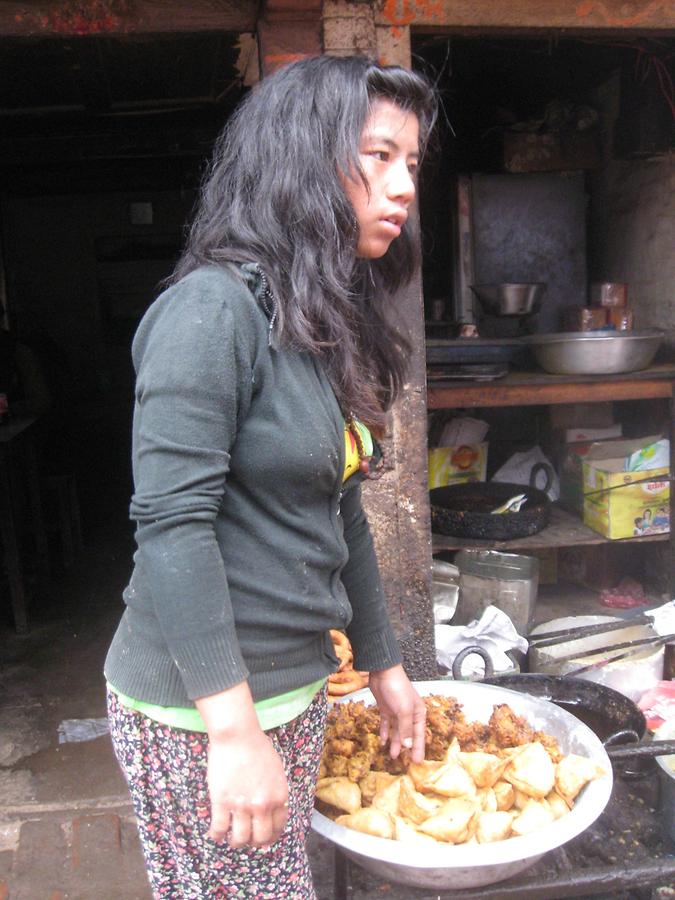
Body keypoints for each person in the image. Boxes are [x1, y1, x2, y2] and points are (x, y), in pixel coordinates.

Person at [104, 54, 437, 899]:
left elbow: (343, 512)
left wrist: (385, 663)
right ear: (300, 157)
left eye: (411, 164)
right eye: (377, 155)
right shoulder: (212, 313)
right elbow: (172, 526)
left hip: (291, 693)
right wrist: (232, 735)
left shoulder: (317, 321)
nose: (401, 187)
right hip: (201, 711)